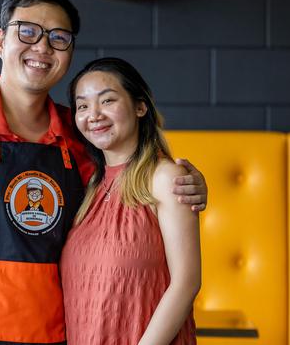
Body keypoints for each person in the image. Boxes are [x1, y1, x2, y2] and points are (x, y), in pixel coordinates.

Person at [0, 0, 207, 345]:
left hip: (56, 336)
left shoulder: (82, 134)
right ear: (1, 41)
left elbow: (129, 179)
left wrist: (186, 185)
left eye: (58, 38)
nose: (42, 47)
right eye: (28, 31)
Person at [60, 57, 201, 345]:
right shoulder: (89, 187)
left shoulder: (164, 178)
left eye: (107, 100)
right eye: (83, 106)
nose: (94, 114)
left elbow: (186, 284)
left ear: (140, 106)